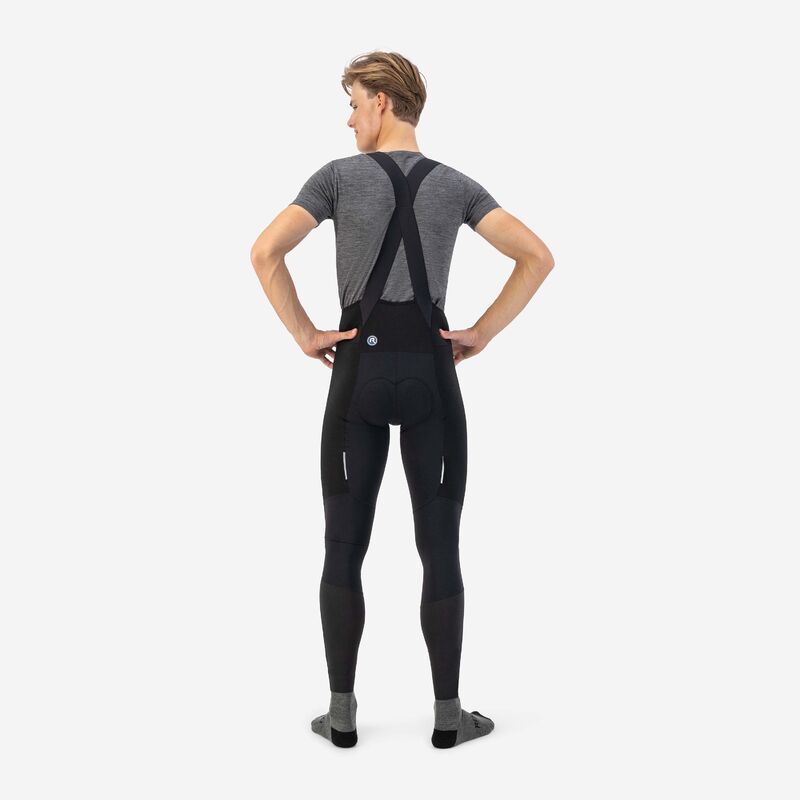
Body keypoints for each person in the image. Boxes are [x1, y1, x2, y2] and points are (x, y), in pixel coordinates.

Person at [250, 51, 555, 749]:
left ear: (382, 102)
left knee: (342, 544)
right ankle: (449, 717)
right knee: (440, 546)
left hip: (355, 378)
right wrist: (482, 332)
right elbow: (537, 256)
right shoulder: (457, 186)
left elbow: (265, 252)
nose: (349, 118)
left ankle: (341, 716)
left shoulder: (335, 178)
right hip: (432, 380)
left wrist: (304, 333)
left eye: (354, 102)